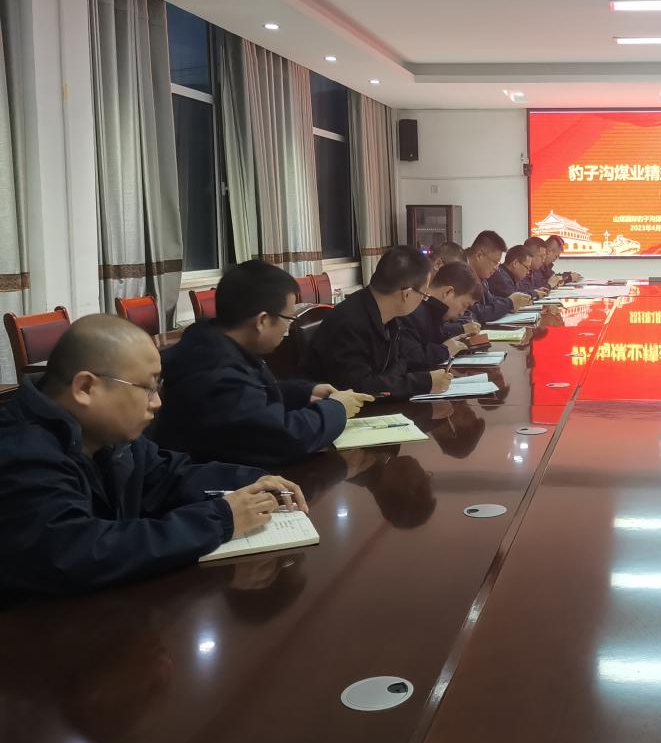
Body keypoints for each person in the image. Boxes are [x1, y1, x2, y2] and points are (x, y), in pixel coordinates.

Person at [0, 314, 307, 600]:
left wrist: (254, 481)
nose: (157, 402)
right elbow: (81, 551)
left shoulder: (107, 435)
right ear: (86, 387)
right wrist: (221, 519)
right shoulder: (22, 453)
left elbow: (170, 475)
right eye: (146, 388)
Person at [154, 260, 371, 466]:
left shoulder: (214, 344)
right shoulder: (214, 373)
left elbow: (254, 393)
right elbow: (283, 438)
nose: (287, 329)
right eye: (289, 319)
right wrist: (336, 409)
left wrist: (306, 393)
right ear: (262, 321)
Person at [302, 246, 450, 397]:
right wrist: (423, 383)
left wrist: (394, 381)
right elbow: (358, 387)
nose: (423, 299)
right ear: (406, 294)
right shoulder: (350, 322)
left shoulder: (387, 317)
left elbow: (399, 364)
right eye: (424, 294)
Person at [404, 262, 484, 365]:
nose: (462, 313)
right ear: (448, 292)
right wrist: (444, 351)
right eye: (464, 305)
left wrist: (454, 342)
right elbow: (409, 358)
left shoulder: (434, 312)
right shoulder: (412, 311)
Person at [463, 234, 531, 323]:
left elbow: (491, 300)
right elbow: (478, 313)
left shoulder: (481, 275)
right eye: (495, 262)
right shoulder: (460, 273)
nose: (496, 268)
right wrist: (509, 303)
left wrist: (510, 303)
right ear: (479, 256)